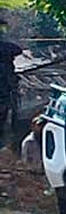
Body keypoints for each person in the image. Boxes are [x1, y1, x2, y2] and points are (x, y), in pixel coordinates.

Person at [0, 19, 23, 147]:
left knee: (3, 114)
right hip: (4, 87)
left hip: (4, 88)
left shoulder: (5, 48)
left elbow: (17, 49)